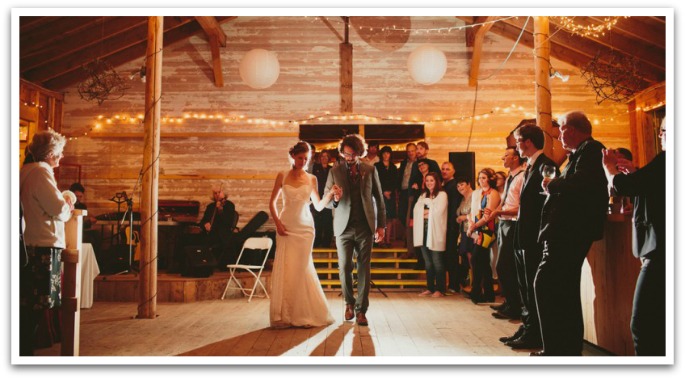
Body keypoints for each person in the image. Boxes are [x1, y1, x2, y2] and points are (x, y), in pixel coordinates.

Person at [533, 111, 608, 356]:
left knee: (546, 285)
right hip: (566, 232)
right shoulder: (581, 153)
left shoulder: (592, 150)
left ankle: (557, 349)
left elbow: (580, 185)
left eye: (561, 130)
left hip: (569, 232)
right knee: (563, 290)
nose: (558, 136)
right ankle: (563, 348)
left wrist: (551, 185)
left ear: (572, 130)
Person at [601, 119, 666, 356]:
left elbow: (624, 187)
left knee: (643, 325)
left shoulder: (668, 159)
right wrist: (637, 173)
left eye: (664, 131)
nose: (661, 136)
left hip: (662, 255)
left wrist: (610, 169)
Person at [501, 124, 557, 351]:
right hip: (523, 234)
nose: (515, 146)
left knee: (533, 287)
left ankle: (535, 333)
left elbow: (548, 203)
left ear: (528, 142)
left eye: (517, 141)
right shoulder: (532, 166)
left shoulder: (547, 166)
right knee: (524, 286)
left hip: (534, 236)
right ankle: (527, 326)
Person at [268, 141, 336, 328]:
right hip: (286, 226)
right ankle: (285, 315)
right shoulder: (282, 175)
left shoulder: (312, 178)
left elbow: (319, 206)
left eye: (306, 159)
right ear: (293, 157)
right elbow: (272, 203)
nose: (303, 162)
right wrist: (278, 224)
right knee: (287, 269)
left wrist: (330, 195)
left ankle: (304, 314)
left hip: (306, 228)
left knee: (302, 268)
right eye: (300, 158)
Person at [20, 129, 75, 356]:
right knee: (37, 304)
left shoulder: (26, 170)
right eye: (60, 153)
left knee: (28, 304)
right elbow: (59, 210)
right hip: (42, 243)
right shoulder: (41, 172)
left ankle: (23, 350)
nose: (61, 157)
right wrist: (68, 199)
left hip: (30, 242)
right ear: (50, 153)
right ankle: (24, 353)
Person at [324, 134, 386, 326]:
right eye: (345, 154)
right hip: (343, 227)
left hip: (365, 226)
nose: (348, 157)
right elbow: (326, 201)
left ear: (360, 153)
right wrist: (334, 198)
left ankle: (361, 310)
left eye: (352, 154)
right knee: (344, 267)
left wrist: (381, 225)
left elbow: (379, 198)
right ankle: (349, 303)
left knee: (364, 269)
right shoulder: (334, 170)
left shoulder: (370, 169)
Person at [488, 148, 525, 321]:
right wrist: (494, 212)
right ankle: (510, 302)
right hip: (504, 221)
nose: (503, 157)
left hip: (514, 222)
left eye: (506, 155)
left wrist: (499, 213)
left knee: (505, 265)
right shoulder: (511, 176)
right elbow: (505, 202)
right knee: (502, 266)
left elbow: (521, 206)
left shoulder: (522, 176)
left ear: (516, 158)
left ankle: (515, 306)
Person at [466, 168, 501, 304]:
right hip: (476, 227)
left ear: (490, 179)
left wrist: (474, 226)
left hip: (487, 229)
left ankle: (476, 292)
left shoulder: (494, 193)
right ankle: (489, 293)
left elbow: (488, 216)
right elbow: (471, 211)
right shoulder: (476, 193)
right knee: (483, 261)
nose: (481, 180)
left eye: (484, 178)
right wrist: (470, 225)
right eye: (480, 177)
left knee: (476, 259)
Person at [413, 172, 448, 297]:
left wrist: (427, 208)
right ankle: (430, 287)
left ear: (436, 181)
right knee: (428, 262)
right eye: (427, 180)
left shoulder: (442, 195)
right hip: (423, 232)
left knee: (437, 261)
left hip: (435, 232)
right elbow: (416, 210)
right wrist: (428, 209)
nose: (429, 183)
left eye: (431, 180)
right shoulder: (423, 194)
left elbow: (439, 212)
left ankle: (440, 289)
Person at [440, 162, 464, 294]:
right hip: (444, 224)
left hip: (451, 225)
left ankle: (455, 284)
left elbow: (453, 208)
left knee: (451, 255)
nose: (444, 171)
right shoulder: (444, 185)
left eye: (447, 169)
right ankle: (451, 283)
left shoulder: (454, 186)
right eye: (442, 169)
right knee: (447, 255)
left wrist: (451, 226)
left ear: (453, 171)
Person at [199, 185, 237, 266]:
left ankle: (208, 262)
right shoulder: (210, 207)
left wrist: (220, 210)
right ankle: (200, 263)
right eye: (215, 193)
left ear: (224, 193)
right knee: (193, 239)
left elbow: (228, 222)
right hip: (210, 233)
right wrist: (205, 224)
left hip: (222, 234)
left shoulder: (229, 205)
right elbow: (203, 221)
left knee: (208, 240)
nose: (217, 194)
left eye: (219, 192)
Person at [374, 146, 398, 247]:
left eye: (388, 153)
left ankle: (387, 240)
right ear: (381, 154)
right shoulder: (377, 166)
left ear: (390, 154)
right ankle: (380, 240)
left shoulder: (393, 167)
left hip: (391, 195)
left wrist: (390, 192)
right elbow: (375, 180)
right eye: (384, 153)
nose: (386, 155)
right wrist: (383, 192)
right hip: (379, 195)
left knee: (390, 218)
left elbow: (396, 181)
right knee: (380, 217)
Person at [397, 143, 418, 257]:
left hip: (412, 193)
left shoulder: (419, 163)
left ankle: (410, 244)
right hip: (403, 191)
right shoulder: (404, 162)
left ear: (416, 151)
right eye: (408, 151)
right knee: (401, 215)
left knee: (409, 219)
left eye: (412, 151)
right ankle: (407, 239)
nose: (410, 153)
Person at [69, 182, 101, 251]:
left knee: (96, 234)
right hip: (70, 233)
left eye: (80, 196)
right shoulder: (67, 206)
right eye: (76, 196)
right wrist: (89, 222)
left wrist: (89, 222)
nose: (78, 199)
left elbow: (81, 225)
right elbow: (72, 225)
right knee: (90, 239)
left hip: (80, 231)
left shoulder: (82, 206)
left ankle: (96, 260)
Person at [455, 177, 474, 291]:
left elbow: (478, 211)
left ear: (468, 184)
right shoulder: (462, 199)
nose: (460, 188)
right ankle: (470, 283)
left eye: (462, 184)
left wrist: (465, 217)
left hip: (473, 230)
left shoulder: (475, 195)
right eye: (458, 186)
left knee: (472, 256)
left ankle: (476, 284)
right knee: (466, 257)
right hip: (463, 231)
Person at [312, 150, 333, 247]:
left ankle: (326, 243)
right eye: (322, 156)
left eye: (326, 156)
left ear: (329, 158)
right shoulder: (316, 168)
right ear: (320, 158)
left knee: (327, 220)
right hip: (317, 197)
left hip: (328, 197)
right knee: (317, 220)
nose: (324, 158)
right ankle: (317, 242)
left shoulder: (331, 169)